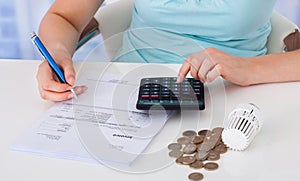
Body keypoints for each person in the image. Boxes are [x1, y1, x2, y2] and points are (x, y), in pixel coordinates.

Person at [36, 0, 300, 102]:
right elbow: (64, 16)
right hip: (127, 92)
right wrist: (58, 52)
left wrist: (249, 68)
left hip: (238, 99)